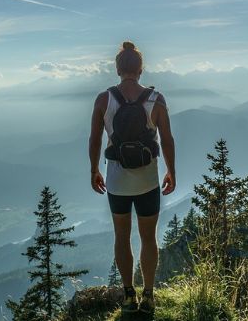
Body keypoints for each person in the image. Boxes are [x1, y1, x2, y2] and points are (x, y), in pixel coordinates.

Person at [88, 41, 176, 316]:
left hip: (117, 181)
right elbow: (167, 139)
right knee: (148, 238)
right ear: (141, 69)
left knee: (122, 237)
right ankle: (149, 295)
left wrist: (94, 170)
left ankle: (129, 296)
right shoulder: (156, 99)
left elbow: (95, 138)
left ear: (117, 68)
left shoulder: (104, 99)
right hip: (148, 180)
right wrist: (171, 171)